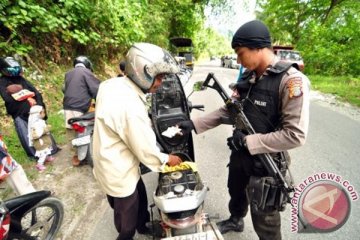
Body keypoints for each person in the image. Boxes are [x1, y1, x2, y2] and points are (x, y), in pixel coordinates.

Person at [177, 20, 310, 240]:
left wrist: (249, 142)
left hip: (267, 162)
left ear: (258, 48)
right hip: (240, 154)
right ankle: (236, 220)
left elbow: (295, 135)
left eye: (241, 53)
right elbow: (229, 110)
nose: (238, 60)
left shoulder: (290, 81)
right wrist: (195, 124)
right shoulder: (248, 77)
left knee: (265, 218)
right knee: (236, 191)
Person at [92, 42, 183, 240]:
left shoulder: (112, 84)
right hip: (117, 170)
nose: (160, 83)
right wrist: (168, 159)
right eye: (158, 77)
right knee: (126, 224)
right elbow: (146, 149)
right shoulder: (129, 107)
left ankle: (143, 225)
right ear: (143, 71)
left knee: (140, 195)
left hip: (112, 159)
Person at [0, 57, 59, 159]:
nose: (15, 72)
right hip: (19, 113)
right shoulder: (2, 82)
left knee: (41, 131)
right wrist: (27, 98)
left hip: (34, 110)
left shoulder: (21, 79)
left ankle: (50, 149)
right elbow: (8, 99)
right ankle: (34, 154)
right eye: (12, 70)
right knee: (26, 134)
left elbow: (36, 92)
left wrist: (39, 105)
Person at [63, 56, 100, 166]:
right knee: (82, 130)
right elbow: (96, 89)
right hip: (80, 106)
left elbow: (65, 89)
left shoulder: (68, 73)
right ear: (87, 65)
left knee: (71, 130)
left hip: (67, 106)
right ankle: (81, 157)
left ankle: (75, 154)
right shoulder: (86, 72)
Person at [0, 131, 36, 195]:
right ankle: (34, 199)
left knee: (13, 177)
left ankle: (28, 198)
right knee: (16, 176)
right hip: (4, 160)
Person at [28, 105, 55, 171]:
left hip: (44, 140)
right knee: (43, 152)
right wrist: (46, 129)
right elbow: (37, 134)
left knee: (47, 148)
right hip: (40, 142)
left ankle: (48, 157)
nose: (44, 114)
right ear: (38, 114)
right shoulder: (35, 124)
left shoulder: (40, 121)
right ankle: (39, 164)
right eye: (43, 112)